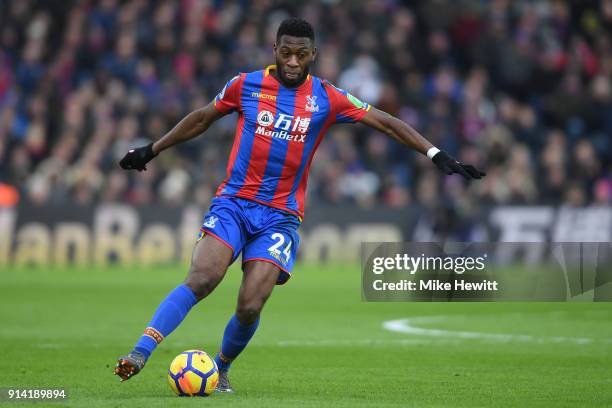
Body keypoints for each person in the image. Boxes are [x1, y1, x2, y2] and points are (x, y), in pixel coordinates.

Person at [113, 18, 485, 392]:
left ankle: (221, 368)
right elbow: (201, 119)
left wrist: (434, 152)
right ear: (275, 51)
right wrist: (152, 148)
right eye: (286, 53)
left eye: (301, 55)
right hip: (234, 202)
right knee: (203, 276)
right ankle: (140, 351)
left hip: (280, 217)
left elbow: (384, 122)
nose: (293, 61)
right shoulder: (245, 84)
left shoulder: (327, 96)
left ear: (313, 56)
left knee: (250, 305)